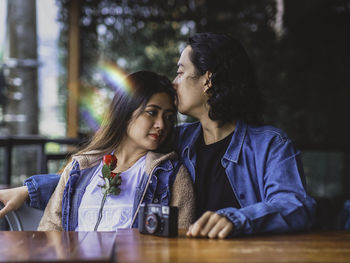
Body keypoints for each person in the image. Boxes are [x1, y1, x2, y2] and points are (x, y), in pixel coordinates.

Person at [0, 32, 316, 238]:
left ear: (208, 80)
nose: (173, 81)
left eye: (180, 71)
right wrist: (30, 191)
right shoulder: (179, 140)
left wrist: (237, 219)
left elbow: (296, 205)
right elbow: (116, 168)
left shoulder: (270, 144)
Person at [0, 70, 195, 231]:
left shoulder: (171, 175)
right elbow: (50, 227)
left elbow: (180, 245)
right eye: (152, 112)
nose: (161, 124)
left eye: (169, 117)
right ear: (126, 111)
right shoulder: (80, 168)